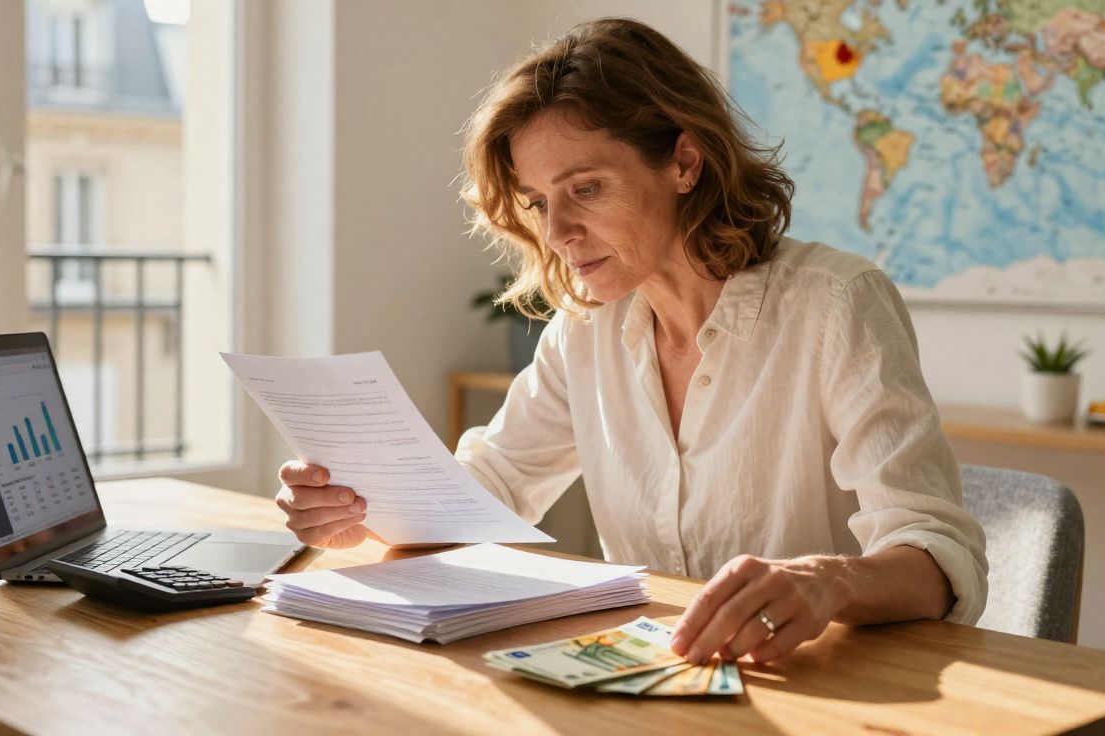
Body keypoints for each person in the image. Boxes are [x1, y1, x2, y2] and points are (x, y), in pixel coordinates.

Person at [274, 17, 987, 665]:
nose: (556, 234)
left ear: (685, 162)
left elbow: (936, 555)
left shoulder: (836, 305)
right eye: (540, 203)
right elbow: (490, 492)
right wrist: (358, 515)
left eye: (585, 189)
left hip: (825, 690)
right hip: (653, 687)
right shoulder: (586, 330)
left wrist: (824, 583)